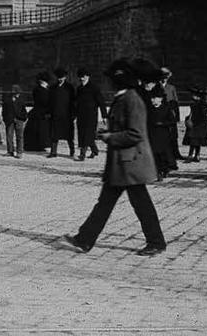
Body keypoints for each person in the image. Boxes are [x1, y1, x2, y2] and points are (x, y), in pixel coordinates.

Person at [63, 58, 167, 257]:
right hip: (121, 164)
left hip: (130, 164)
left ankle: (156, 242)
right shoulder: (124, 97)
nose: (109, 82)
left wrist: (109, 136)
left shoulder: (131, 99)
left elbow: (136, 133)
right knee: (106, 203)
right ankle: (85, 239)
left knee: (140, 204)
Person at [74, 68, 108, 161]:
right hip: (81, 115)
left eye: (84, 76)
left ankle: (82, 155)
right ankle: (95, 150)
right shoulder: (79, 88)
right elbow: (76, 103)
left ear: (88, 76)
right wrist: (74, 115)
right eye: (80, 77)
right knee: (83, 134)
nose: (82, 78)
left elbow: (101, 102)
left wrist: (104, 116)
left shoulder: (94, 88)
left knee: (87, 134)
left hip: (91, 115)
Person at [146, 90, 177, 180]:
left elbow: (173, 121)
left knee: (163, 154)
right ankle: (158, 172)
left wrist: (163, 123)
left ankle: (165, 169)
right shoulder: (149, 109)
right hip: (152, 134)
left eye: (154, 98)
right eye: (152, 98)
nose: (152, 100)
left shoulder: (166, 108)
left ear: (160, 99)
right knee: (154, 154)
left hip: (163, 135)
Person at [47, 67, 76, 158]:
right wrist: (49, 112)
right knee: (54, 135)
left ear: (65, 77)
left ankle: (72, 151)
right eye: (58, 77)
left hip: (67, 115)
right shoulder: (53, 88)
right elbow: (50, 102)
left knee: (69, 135)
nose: (60, 79)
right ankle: (53, 152)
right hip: (55, 115)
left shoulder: (69, 87)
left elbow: (73, 102)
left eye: (62, 77)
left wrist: (73, 114)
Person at [159, 67, 181, 168]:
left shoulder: (171, 87)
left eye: (166, 77)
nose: (165, 79)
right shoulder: (157, 87)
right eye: (163, 77)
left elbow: (176, 102)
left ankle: (176, 153)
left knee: (173, 134)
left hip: (171, 113)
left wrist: (177, 117)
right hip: (161, 113)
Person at [24, 72, 51, 152]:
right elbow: (43, 101)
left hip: (40, 111)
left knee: (39, 129)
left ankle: (38, 145)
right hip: (41, 111)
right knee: (39, 129)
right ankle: (37, 145)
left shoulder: (42, 89)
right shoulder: (40, 90)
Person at [183, 88, 207, 162]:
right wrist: (188, 118)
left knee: (195, 140)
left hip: (199, 124)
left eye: (194, 95)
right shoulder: (194, 103)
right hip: (195, 123)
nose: (192, 96)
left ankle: (192, 156)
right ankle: (195, 156)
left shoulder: (202, 104)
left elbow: (202, 115)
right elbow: (192, 113)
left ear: (198, 96)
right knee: (195, 140)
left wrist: (194, 121)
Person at [1, 85, 27, 159]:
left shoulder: (21, 100)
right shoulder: (7, 100)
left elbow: (23, 110)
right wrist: (5, 119)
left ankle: (19, 152)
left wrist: (22, 118)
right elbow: (4, 111)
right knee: (9, 136)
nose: (18, 94)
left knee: (19, 136)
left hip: (19, 120)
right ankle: (10, 151)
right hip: (9, 120)